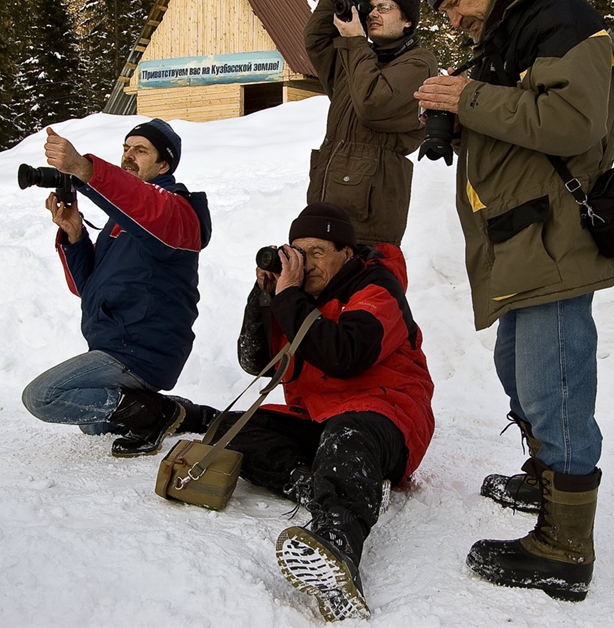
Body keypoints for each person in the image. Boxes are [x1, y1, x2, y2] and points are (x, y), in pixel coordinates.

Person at [414, 0, 614, 602]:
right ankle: (544, 475)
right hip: (524, 236)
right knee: (520, 369)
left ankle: (566, 546)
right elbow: (522, 112)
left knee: (554, 383)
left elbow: (571, 121)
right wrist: (461, 110)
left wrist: (466, 100)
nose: (453, 20)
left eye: (452, 4)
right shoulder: (516, 27)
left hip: (556, 237)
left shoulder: (563, 18)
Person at [213, 202, 434, 621]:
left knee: (348, 434)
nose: (306, 262)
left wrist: (292, 297)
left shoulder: (377, 288)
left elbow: (344, 355)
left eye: (318, 251)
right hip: (318, 416)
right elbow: (256, 361)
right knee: (231, 430)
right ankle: (318, 485)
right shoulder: (295, 296)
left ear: (346, 253)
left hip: (385, 414)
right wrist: (264, 299)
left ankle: (337, 545)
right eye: (299, 251)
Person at [22, 119, 212, 457]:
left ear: (164, 164)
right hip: (117, 345)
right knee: (93, 421)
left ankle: (156, 413)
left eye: (141, 150)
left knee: (43, 396)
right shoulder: (123, 220)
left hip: (143, 349)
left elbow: (141, 202)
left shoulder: (176, 212)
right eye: (126, 148)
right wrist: (75, 235)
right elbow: (89, 288)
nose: (128, 155)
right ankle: (176, 411)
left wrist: (83, 168)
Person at [304, 0, 438, 247]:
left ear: (407, 21)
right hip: (326, 209)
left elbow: (372, 105)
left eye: (385, 7)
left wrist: (356, 41)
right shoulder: (357, 60)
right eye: (371, 7)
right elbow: (315, 41)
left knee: (366, 290)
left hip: (368, 222)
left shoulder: (419, 64)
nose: (374, 14)